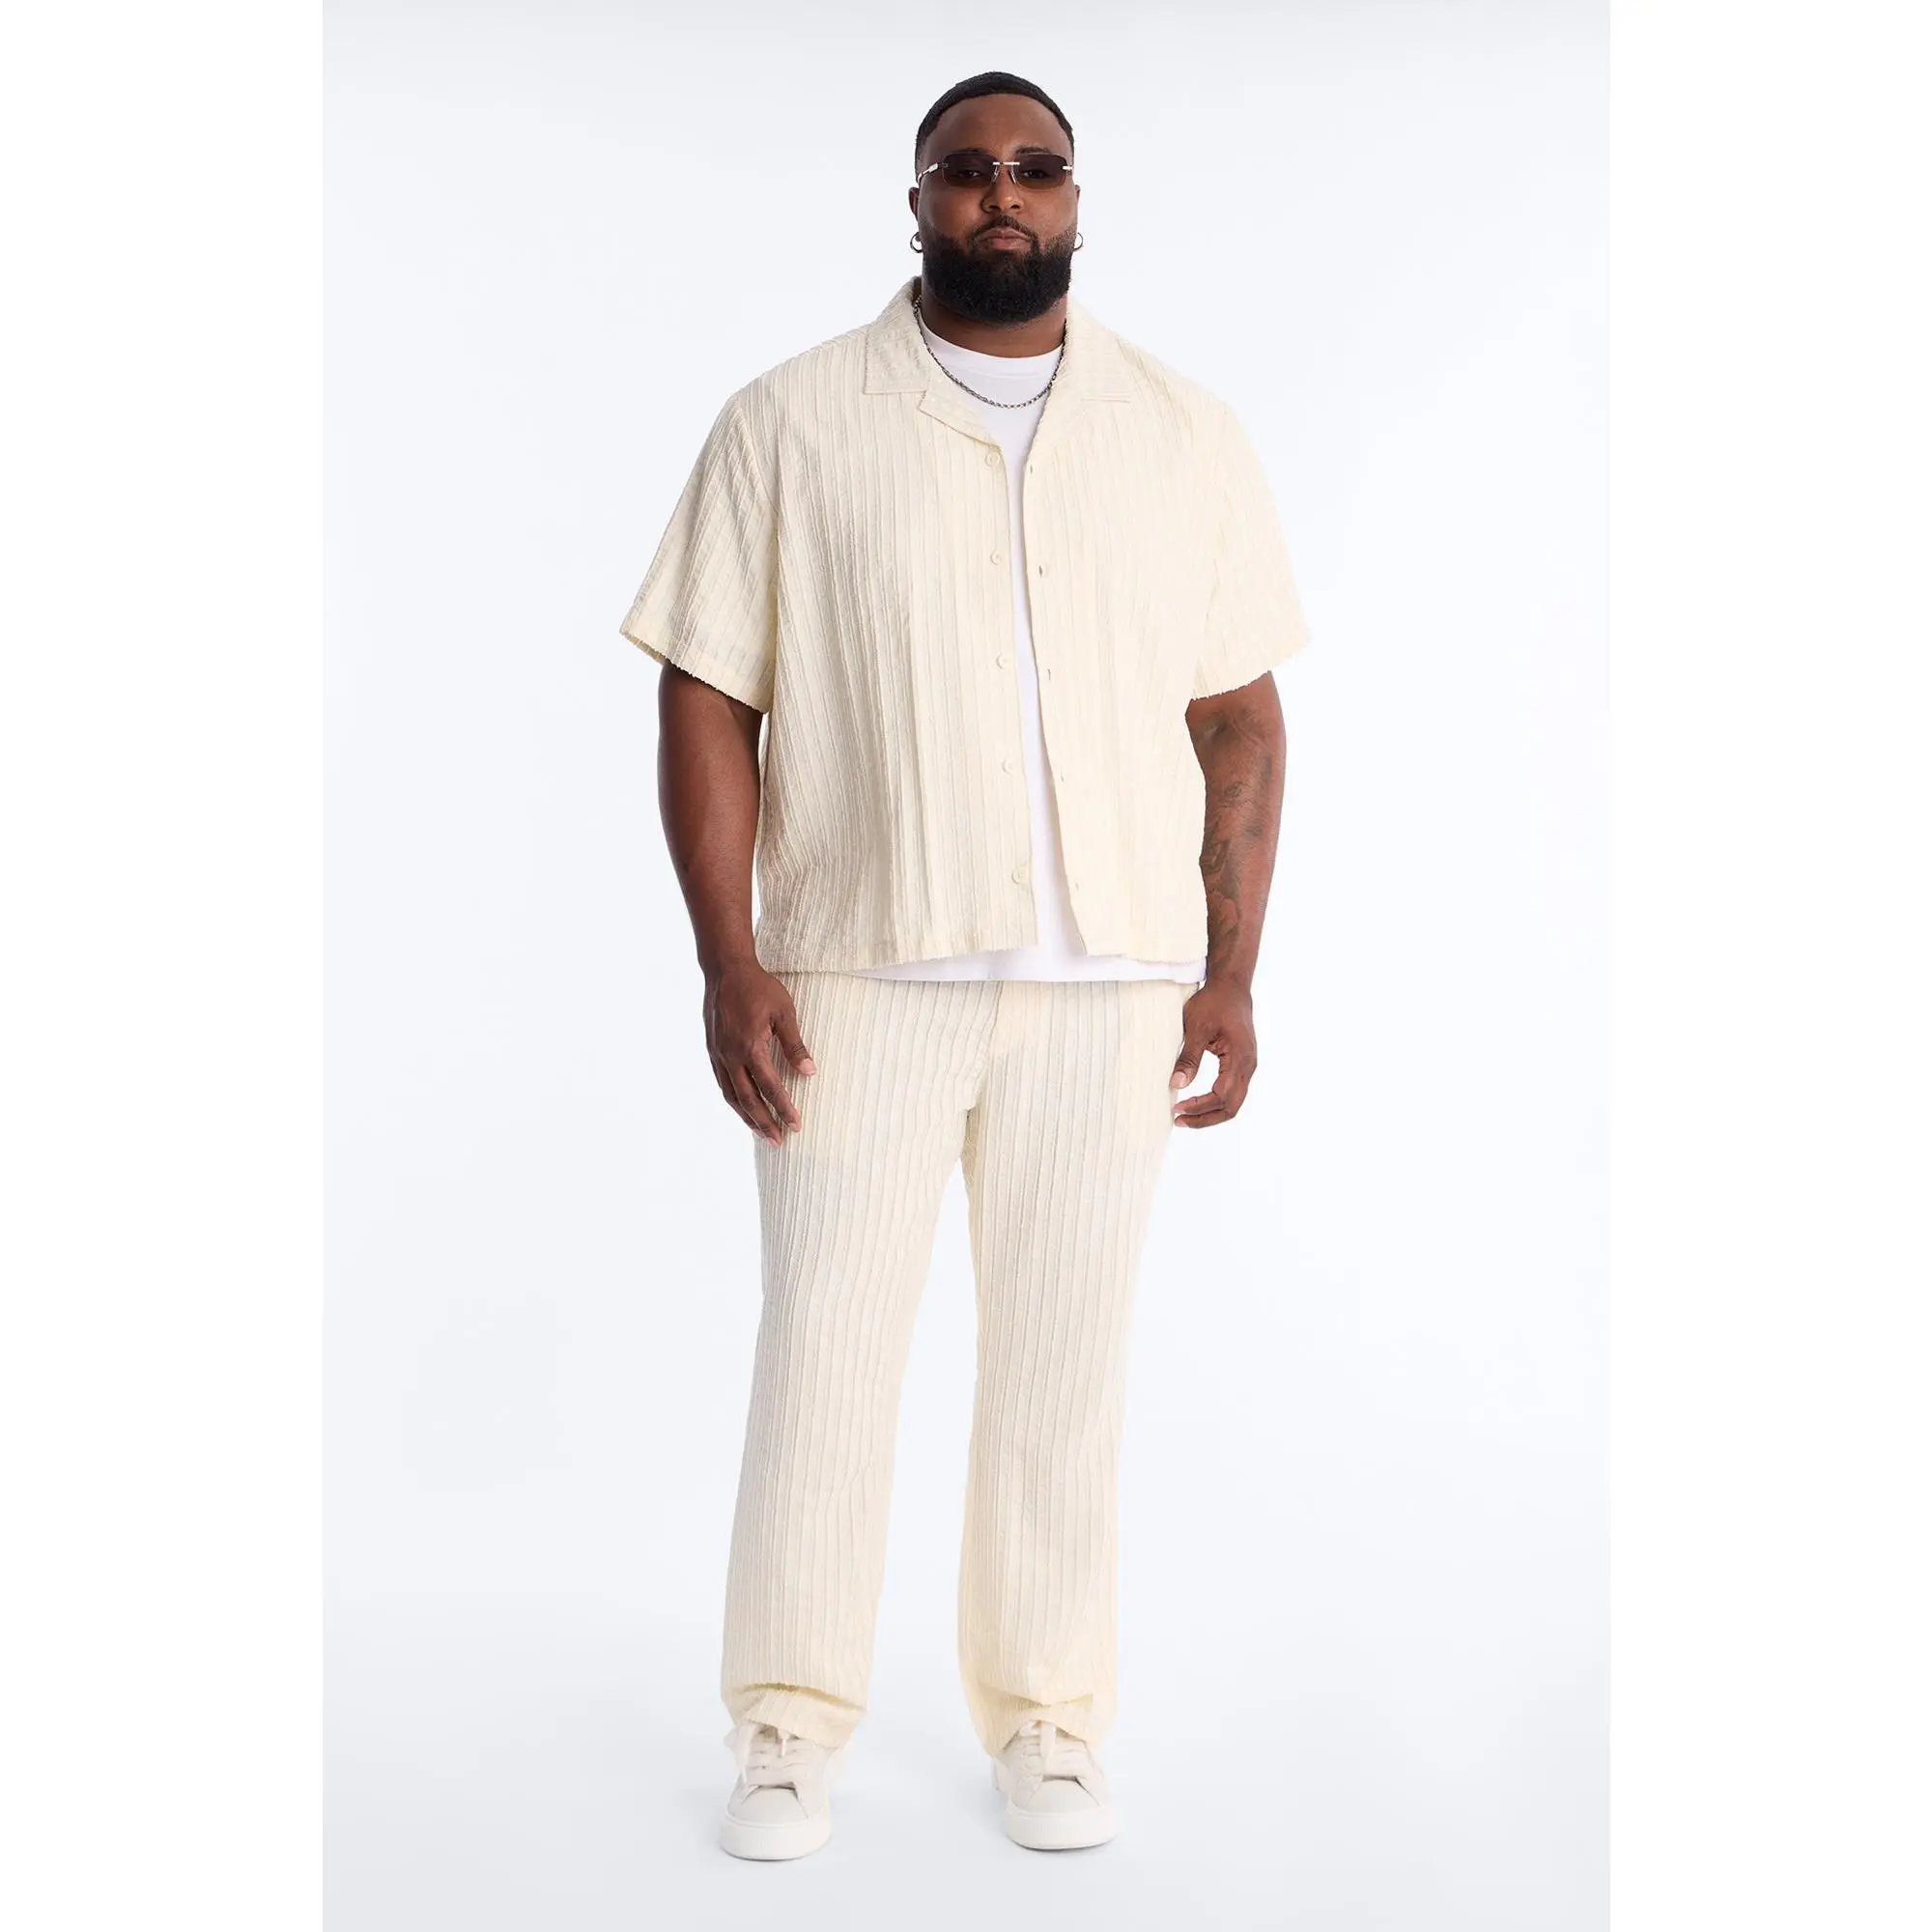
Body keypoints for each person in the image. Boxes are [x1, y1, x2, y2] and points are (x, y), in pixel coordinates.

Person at [618, 69, 1309, 1860]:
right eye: (966, 169)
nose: (1005, 194)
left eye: (1037, 169)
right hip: (858, 970)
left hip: (1113, 986)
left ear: (1078, 198)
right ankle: (788, 1724)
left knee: (1065, 1374)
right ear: (915, 198)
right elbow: (707, 694)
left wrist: (1229, 973)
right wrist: (728, 958)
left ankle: (1051, 1719)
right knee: (827, 1357)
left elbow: (1238, 716)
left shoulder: (1184, 433)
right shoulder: (789, 422)